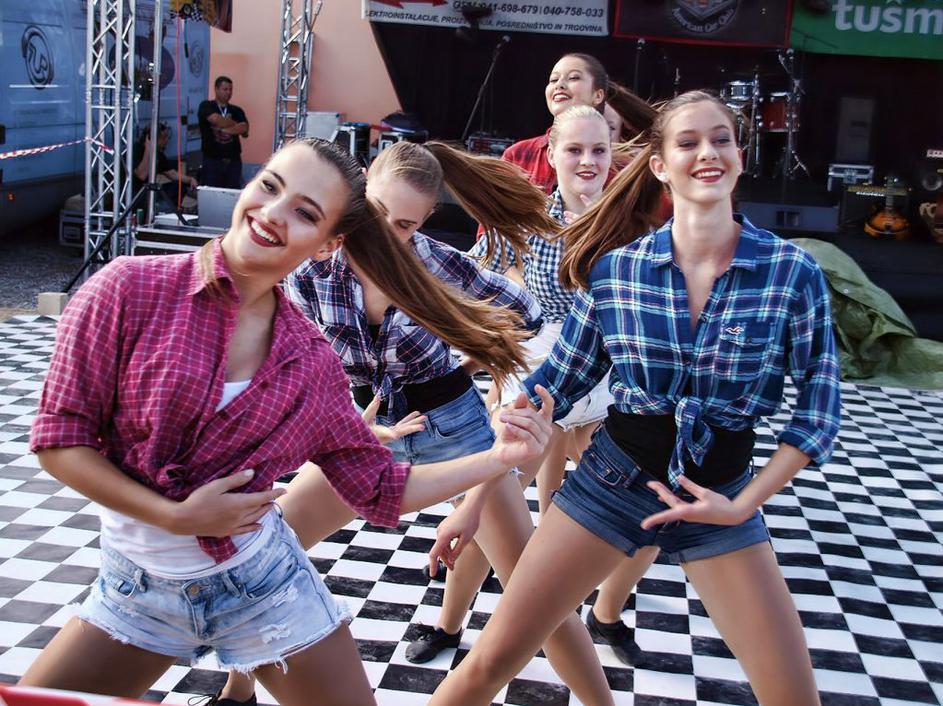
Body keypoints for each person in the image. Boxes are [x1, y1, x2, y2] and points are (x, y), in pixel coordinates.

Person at [19, 138, 557, 706]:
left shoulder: (310, 360)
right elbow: (59, 440)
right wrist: (173, 516)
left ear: (329, 240)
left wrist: (498, 458)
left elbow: (379, 488)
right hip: (136, 590)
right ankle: (237, 692)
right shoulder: (127, 288)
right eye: (270, 186)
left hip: (264, 586)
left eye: (305, 211)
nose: (274, 213)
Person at [428, 90, 842, 706]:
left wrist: (744, 504)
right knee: (489, 664)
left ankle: (614, 611)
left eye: (722, 139)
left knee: (794, 695)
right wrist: (477, 496)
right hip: (610, 486)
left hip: (721, 496)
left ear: (740, 156)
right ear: (659, 166)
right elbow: (552, 386)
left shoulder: (790, 273)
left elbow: (818, 411)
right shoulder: (618, 272)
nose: (708, 153)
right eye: (688, 142)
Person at [210, 139, 613, 706]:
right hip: (364, 430)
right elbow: (286, 351)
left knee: (534, 594)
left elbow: (527, 317)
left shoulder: (440, 263)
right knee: (259, 555)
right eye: (376, 213)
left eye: (403, 225)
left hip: (454, 427)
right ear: (358, 195)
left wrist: (473, 357)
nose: (385, 233)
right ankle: (237, 692)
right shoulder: (317, 263)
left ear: (423, 223)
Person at [198, 76, 249, 189]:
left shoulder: (237, 110)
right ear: (216, 89)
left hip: (233, 162)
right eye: (225, 89)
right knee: (211, 192)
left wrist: (224, 129)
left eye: (230, 89)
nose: (228, 92)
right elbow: (215, 119)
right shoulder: (206, 106)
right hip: (212, 161)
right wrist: (235, 125)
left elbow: (244, 129)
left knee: (232, 193)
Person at [132, 123, 198, 208]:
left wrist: (190, 179)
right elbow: (141, 175)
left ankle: (174, 209)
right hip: (135, 193)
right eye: (164, 138)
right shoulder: (136, 150)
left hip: (150, 191)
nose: (167, 141)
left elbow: (172, 174)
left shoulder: (158, 154)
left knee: (179, 186)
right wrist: (148, 149)